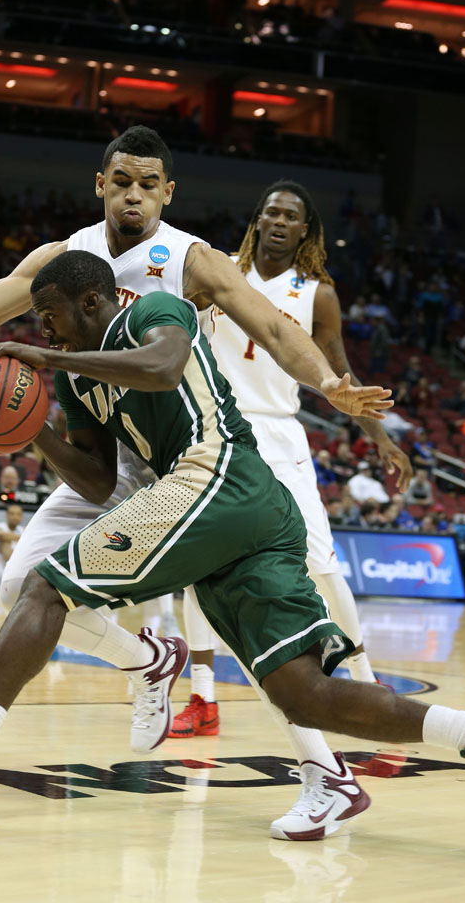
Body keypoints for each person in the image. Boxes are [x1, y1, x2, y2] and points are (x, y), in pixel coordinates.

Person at [0, 252, 465, 841]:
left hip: (220, 477)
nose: (44, 329)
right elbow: (96, 482)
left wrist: (41, 353)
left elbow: (159, 367)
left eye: (50, 315)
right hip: (235, 519)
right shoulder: (74, 379)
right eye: (40, 324)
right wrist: (29, 426)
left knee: (46, 584)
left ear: (91, 300)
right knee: (303, 694)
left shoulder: (155, 311)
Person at [0, 126, 404, 837]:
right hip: (103, 453)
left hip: (184, 461)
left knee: (238, 618)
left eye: (149, 183)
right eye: (122, 180)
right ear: (100, 184)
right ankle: (148, 661)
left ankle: (323, 770)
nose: (134, 193)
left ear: (168, 192)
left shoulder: (188, 259)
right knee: (21, 588)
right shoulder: (66, 256)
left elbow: (275, 325)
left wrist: (328, 383)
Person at [169, 182, 411, 796]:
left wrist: (379, 437)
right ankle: (202, 699)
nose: (279, 221)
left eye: (292, 216)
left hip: (280, 437)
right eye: (270, 211)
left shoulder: (317, 293)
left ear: (307, 230)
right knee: (199, 570)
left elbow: (337, 369)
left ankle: (375, 700)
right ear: (257, 220)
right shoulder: (216, 274)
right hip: (217, 433)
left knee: (323, 570)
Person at [0, 503, 24, 589]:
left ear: (22, 517)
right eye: (12, 514)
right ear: (6, 515)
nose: (15, 517)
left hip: (13, 576)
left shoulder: (22, 530)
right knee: (4, 542)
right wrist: (22, 537)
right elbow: (0, 536)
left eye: (18, 514)